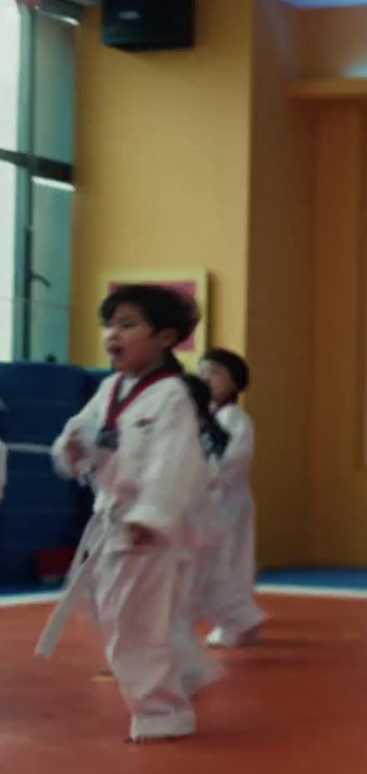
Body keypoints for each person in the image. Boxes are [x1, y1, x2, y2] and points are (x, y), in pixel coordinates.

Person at [43, 285, 210, 742]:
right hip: (111, 521)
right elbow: (78, 432)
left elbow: (175, 463)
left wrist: (151, 517)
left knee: (133, 621)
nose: (113, 334)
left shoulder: (172, 396)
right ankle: (186, 671)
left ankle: (161, 712)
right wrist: (71, 448)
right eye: (111, 324)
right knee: (113, 612)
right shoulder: (110, 388)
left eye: (128, 324)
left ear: (165, 337)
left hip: (146, 525)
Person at [197, 347, 265, 648]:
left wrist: (205, 474)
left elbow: (235, 459)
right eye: (202, 373)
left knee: (230, 560)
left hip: (229, 498)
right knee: (212, 560)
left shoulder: (235, 419)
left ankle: (237, 622)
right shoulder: (202, 419)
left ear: (234, 382)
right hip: (207, 500)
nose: (206, 379)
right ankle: (238, 619)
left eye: (215, 373)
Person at [169, 373, 229, 697]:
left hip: (187, 531)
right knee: (177, 606)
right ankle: (182, 670)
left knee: (174, 606)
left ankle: (181, 672)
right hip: (191, 530)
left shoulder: (197, 438)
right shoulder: (195, 434)